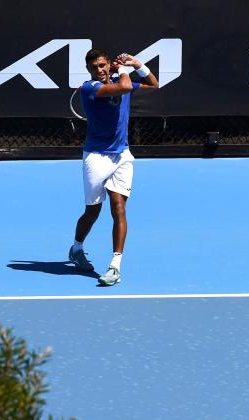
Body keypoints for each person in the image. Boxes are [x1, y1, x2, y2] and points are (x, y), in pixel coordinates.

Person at [68, 48, 159, 287]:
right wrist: (122, 69)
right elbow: (126, 88)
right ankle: (77, 248)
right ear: (88, 70)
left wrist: (137, 63)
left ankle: (115, 266)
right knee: (92, 212)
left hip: (122, 156)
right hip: (96, 157)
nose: (98, 70)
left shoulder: (122, 79)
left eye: (102, 65)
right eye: (93, 67)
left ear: (107, 64)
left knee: (119, 209)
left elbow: (154, 84)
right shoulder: (90, 88)